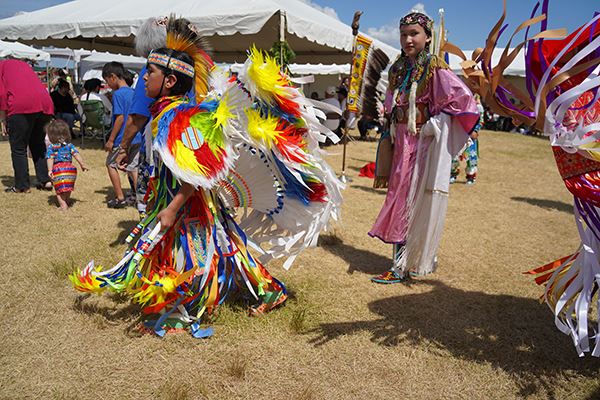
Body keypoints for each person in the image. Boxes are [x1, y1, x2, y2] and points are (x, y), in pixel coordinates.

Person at [70, 17, 342, 338]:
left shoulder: (179, 117)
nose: (144, 79)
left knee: (203, 249)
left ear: (170, 81)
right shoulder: (166, 111)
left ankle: (181, 308)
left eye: (151, 73)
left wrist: (172, 208)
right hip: (179, 199)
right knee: (222, 246)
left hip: (191, 202)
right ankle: (254, 291)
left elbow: (198, 174)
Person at [369, 10, 479, 283]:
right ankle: (405, 261)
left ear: (428, 37)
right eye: (403, 34)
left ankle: (409, 263)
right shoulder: (397, 68)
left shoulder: (434, 67)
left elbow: (463, 101)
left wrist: (434, 124)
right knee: (400, 196)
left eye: (414, 34)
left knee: (415, 199)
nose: (408, 39)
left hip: (423, 142)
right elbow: (391, 102)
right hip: (401, 141)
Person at [114, 17, 167, 219]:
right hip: (188, 147)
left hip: (159, 147)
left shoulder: (153, 68)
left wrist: (123, 147)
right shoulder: (190, 66)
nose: (146, 78)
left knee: (154, 198)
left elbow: (137, 117)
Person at [0, 59, 54, 193]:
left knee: (18, 148)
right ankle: (45, 180)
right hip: (45, 103)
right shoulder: (23, 65)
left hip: (21, 105)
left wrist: (2, 119)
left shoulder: (1, 68)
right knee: (38, 144)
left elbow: (1, 94)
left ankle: (22, 186)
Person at [102, 61, 143, 208]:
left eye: (107, 81)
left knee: (111, 164)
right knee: (133, 167)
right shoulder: (133, 93)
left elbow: (119, 118)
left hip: (122, 138)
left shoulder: (118, 94)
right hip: (137, 136)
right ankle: (141, 197)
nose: (107, 84)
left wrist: (111, 140)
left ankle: (120, 197)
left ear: (112, 77)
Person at [45, 119, 89, 210]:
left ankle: (63, 205)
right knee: (68, 187)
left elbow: (50, 158)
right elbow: (76, 154)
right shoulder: (69, 145)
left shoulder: (52, 147)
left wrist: (49, 170)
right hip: (70, 169)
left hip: (58, 170)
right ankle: (67, 201)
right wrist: (82, 164)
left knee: (59, 189)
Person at [450, 94, 483, 185]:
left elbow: (480, 120)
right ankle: (453, 174)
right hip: (459, 134)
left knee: (471, 157)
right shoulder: (458, 105)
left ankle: (471, 176)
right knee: (455, 156)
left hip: (470, 135)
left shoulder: (478, 107)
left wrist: (475, 130)